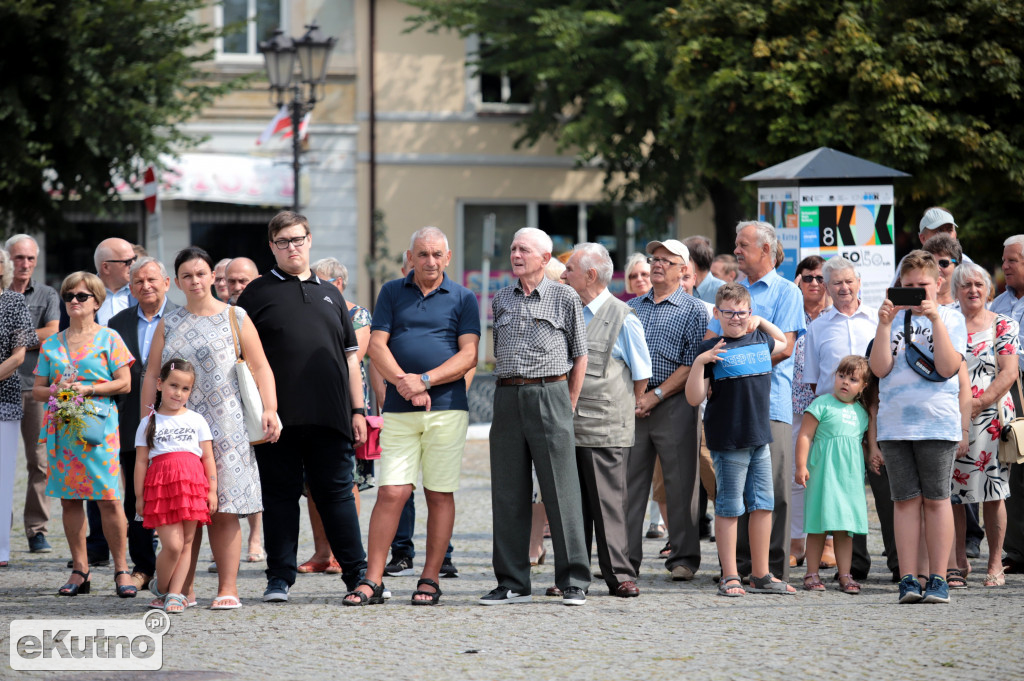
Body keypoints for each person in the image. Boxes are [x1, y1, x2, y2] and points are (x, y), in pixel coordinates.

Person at [237, 210, 369, 602]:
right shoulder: (256, 294)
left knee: (338, 496)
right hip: (277, 418)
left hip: (331, 417)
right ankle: (279, 578)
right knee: (279, 498)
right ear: (272, 247)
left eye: (297, 239)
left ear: (309, 240)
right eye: (283, 241)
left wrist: (358, 411)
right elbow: (243, 360)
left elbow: (350, 358)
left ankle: (357, 575)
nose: (292, 247)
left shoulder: (331, 292)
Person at [345, 227, 479, 606]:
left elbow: (469, 354)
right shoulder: (391, 291)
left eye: (437, 254)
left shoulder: (464, 297)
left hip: (447, 408)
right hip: (401, 409)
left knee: (439, 493)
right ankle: (372, 580)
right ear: (411, 256)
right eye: (423, 254)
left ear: (448, 258)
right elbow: (376, 345)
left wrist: (423, 380)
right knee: (392, 492)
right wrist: (404, 385)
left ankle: (430, 578)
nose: (430, 261)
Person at [142, 247, 280, 610]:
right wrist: (148, 419)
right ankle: (182, 589)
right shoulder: (168, 322)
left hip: (227, 425)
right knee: (187, 511)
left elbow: (261, 366)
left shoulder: (236, 316)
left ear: (212, 278)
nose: (195, 281)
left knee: (225, 508)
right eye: (187, 275)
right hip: (179, 427)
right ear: (177, 282)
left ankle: (228, 587)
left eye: (201, 273)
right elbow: (153, 372)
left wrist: (270, 409)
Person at [481, 227, 590, 606]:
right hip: (507, 395)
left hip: (550, 393)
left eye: (524, 249)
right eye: (513, 248)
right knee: (508, 491)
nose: (516, 254)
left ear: (545, 259)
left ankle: (574, 579)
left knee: (562, 490)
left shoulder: (564, 297)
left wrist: (569, 402)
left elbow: (580, 354)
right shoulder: (501, 298)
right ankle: (512, 581)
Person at [707, 221, 805, 581]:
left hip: (770, 403)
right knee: (734, 491)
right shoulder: (732, 292)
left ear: (765, 249)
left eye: (743, 245)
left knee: (771, 494)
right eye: (736, 244)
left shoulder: (786, 292)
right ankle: (737, 569)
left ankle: (771, 570)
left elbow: (785, 347)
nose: (736, 250)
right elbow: (714, 343)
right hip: (730, 407)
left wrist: (735, 368)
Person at [869, 250, 967, 604]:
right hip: (895, 426)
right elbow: (879, 369)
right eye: (907, 287)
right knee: (905, 502)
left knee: (937, 500)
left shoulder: (952, 319)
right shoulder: (891, 320)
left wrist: (935, 320)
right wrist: (883, 324)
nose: (914, 293)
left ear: (938, 283)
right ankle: (908, 578)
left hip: (938, 423)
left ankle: (939, 578)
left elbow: (946, 367)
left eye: (921, 286)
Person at [685, 282, 792, 596]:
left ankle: (760, 574)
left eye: (741, 313)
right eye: (728, 313)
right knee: (729, 508)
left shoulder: (760, 339)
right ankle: (729, 575)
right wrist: (699, 364)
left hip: (759, 436)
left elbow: (784, 341)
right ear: (716, 313)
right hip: (727, 439)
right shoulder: (710, 350)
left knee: (763, 505)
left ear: (750, 313)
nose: (735, 318)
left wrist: (762, 322)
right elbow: (694, 398)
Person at [32, 272, 135, 596]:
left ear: (96, 301)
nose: (74, 302)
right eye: (69, 296)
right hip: (63, 429)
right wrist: (56, 389)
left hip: (99, 429)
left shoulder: (110, 338)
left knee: (109, 499)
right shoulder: (52, 343)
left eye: (81, 296)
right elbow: (37, 390)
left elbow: (126, 382)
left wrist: (89, 388)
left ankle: (121, 569)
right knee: (69, 501)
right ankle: (80, 570)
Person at [561, 243, 651, 597]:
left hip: (607, 427)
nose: (564, 275)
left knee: (609, 504)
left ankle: (619, 575)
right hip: (568, 426)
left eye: (569, 270)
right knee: (573, 506)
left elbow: (642, 374)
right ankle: (573, 577)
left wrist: (625, 406)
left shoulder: (623, 316)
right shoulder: (570, 310)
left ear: (590, 275)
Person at [802, 256, 892, 581]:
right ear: (826, 287)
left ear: (858, 283)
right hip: (837, 422)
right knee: (845, 494)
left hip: (879, 416)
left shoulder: (878, 321)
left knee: (887, 492)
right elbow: (815, 382)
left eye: (849, 281)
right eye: (837, 282)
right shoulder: (817, 328)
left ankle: (898, 564)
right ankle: (853, 567)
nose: (844, 287)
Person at [628, 239, 709, 582]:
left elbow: (692, 363)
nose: (657, 264)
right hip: (633, 404)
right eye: (654, 259)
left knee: (680, 485)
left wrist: (655, 395)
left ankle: (684, 557)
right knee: (629, 485)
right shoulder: (632, 307)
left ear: (683, 270)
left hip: (674, 403)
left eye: (666, 260)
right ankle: (623, 560)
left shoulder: (695, 310)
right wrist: (637, 397)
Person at [108, 257, 179, 591]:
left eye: (152, 280)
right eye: (138, 282)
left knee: (173, 495)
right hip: (129, 420)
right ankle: (143, 565)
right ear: (131, 287)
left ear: (166, 282)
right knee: (135, 495)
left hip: (176, 419)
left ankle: (176, 566)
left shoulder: (182, 316)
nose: (145, 286)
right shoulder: (118, 322)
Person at [949, 263, 1018, 587]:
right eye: (966, 285)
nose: (973, 290)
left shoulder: (1003, 324)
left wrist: (978, 403)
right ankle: (958, 560)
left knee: (993, 493)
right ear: (956, 290)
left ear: (988, 290)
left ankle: (994, 564)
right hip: (950, 417)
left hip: (990, 419)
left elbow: (1009, 372)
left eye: (978, 284)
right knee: (953, 494)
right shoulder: (947, 320)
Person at [134, 359, 217, 613]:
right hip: (161, 489)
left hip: (192, 487)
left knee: (188, 542)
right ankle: (162, 586)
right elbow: (140, 462)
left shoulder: (197, 420)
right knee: (172, 544)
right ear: (159, 384)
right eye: (173, 386)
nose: (178, 393)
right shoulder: (148, 422)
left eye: (184, 389)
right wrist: (139, 496)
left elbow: (208, 457)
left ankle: (175, 594)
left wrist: (212, 490)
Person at [795, 356, 873, 594]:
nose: (845, 382)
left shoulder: (862, 413)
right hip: (823, 475)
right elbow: (805, 436)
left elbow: (863, 445)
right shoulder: (822, 403)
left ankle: (845, 574)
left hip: (849, 479)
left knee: (845, 528)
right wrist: (801, 466)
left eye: (853, 379)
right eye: (841, 376)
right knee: (818, 525)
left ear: (863, 386)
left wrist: (872, 458)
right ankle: (811, 573)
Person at [4, 234, 59, 554]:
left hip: (37, 388)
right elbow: (42, 334)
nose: (24, 264)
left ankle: (36, 529)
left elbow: (52, 332)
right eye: (17, 258)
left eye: (29, 258)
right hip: (4, 386)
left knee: (39, 462)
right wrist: (27, 339)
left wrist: (11, 340)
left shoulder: (47, 294)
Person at [220, 255, 265, 564]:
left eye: (242, 281)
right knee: (225, 475)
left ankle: (256, 537)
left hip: (256, 399)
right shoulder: (217, 313)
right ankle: (226, 545)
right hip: (224, 403)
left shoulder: (262, 308)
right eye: (230, 281)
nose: (235, 287)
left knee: (256, 472)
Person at [787, 255, 831, 571]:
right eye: (807, 277)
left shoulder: (836, 315)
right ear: (798, 281)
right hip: (792, 406)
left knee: (827, 478)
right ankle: (795, 543)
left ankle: (828, 542)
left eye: (820, 277)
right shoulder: (789, 313)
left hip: (828, 408)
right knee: (795, 476)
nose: (814, 283)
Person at [0, 248, 38, 567]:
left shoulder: (14, 302)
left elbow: (19, 355)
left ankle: (0, 548)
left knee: (1, 475)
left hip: (5, 398)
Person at [991, 234, 1024, 574]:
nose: (1005, 266)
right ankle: (1014, 551)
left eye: (1012, 260)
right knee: (1011, 472)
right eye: (1004, 261)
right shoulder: (997, 305)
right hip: (1006, 392)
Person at [922, 235, 963, 307]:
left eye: (943, 263)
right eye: (931, 263)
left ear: (957, 265)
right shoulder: (915, 306)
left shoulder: (968, 304)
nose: (937, 269)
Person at [683, 236, 725, 305]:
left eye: (683, 259)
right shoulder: (682, 286)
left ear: (693, 262)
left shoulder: (722, 291)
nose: (680, 263)